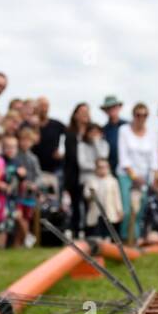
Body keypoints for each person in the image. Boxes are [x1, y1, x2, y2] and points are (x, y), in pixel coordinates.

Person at [118, 103, 158, 244]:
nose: (141, 118)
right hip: (127, 176)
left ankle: (135, 240)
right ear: (133, 115)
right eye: (138, 114)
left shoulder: (152, 133)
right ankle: (125, 239)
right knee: (128, 210)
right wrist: (134, 177)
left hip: (145, 178)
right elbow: (123, 157)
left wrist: (151, 178)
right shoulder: (124, 130)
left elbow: (154, 158)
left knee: (141, 210)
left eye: (144, 115)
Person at [60, 102, 92, 238]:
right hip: (74, 175)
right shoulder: (69, 133)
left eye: (87, 111)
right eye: (82, 111)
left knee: (89, 205)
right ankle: (75, 232)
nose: (85, 114)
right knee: (75, 205)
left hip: (90, 175)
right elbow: (68, 158)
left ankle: (90, 232)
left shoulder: (92, 132)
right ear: (75, 115)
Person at [84, 157, 123, 237]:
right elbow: (86, 195)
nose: (103, 169)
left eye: (105, 167)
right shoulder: (91, 180)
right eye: (101, 167)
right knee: (96, 235)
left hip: (109, 213)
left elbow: (117, 197)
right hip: (95, 214)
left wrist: (119, 210)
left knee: (109, 235)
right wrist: (92, 195)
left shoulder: (113, 181)